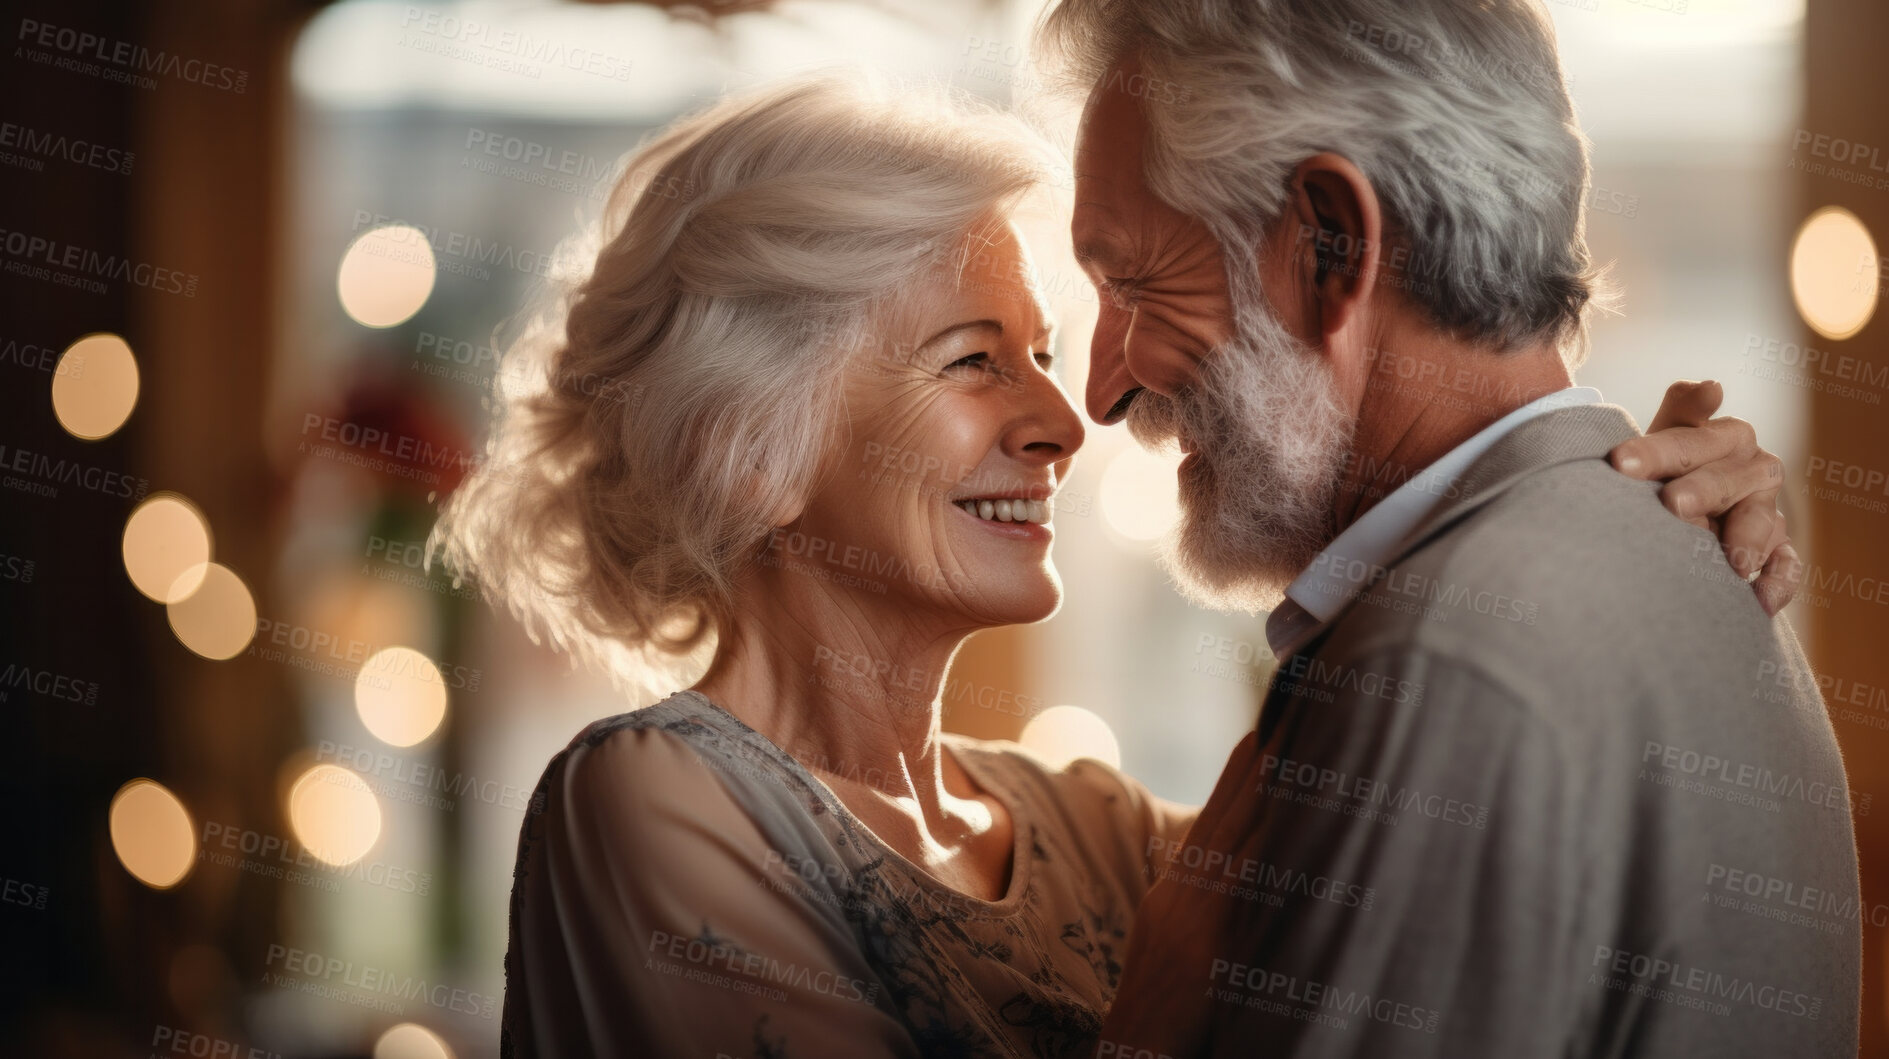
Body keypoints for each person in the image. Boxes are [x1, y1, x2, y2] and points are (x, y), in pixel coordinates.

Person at [432, 74, 1806, 1058]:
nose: (1063, 416)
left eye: (1041, 347)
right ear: (750, 441)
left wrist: (1608, 502)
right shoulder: (650, 800)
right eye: (974, 360)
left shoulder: (1089, 821)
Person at [1032, 0, 1862, 1055]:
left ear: (1330, 247)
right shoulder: (1658, 545)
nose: (1100, 393)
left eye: (1134, 283)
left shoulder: (1447, 654)